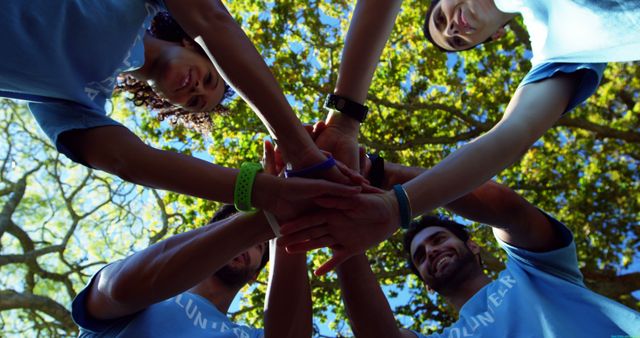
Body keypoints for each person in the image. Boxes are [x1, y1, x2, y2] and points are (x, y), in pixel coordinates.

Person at [278, 0, 640, 274]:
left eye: (441, 17)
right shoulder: (559, 52)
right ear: (494, 37)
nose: (451, 28)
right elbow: (508, 137)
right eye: (453, 40)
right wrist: (396, 206)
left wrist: (343, 119)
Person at [0, 1, 361, 224]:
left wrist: (267, 193)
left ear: (169, 103)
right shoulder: (147, 6)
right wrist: (299, 148)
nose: (197, 89)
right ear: (194, 46)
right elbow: (211, 18)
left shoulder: (78, 104)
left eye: (195, 101)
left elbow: (129, 161)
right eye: (208, 77)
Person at [333, 156, 640, 337]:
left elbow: (510, 211)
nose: (432, 252)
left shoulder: (536, 271)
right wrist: (339, 226)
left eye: (438, 239)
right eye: (421, 256)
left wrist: (383, 174)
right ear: (426, 285)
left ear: (474, 245)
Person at [71, 201, 312, 337]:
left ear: (256, 276)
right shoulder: (145, 295)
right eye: (233, 229)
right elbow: (115, 289)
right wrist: (269, 212)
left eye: (257, 244)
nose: (244, 242)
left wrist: (291, 222)